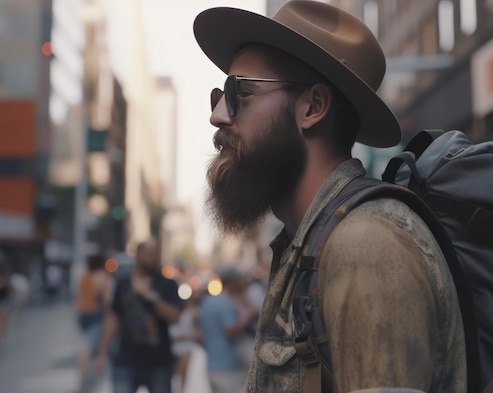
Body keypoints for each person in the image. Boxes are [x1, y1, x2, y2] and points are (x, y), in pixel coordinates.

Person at [192, 1, 466, 393]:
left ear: (314, 107)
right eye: (219, 94)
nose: (218, 115)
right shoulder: (309, 244)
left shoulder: (366, 245)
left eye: (241, 93)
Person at [96, 238, 182, 393]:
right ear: (137, 255)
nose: (153, 258)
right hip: (126, 361)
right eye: (149, 254)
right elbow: (112, 320)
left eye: (156, 254)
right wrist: (102, 353)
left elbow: (175, 316)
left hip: (159, 363)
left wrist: (150, 296)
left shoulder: (167, 284)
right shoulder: (122, 283)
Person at [199, 266, 259, 393]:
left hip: (212, 364)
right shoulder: (226, 302)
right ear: (233, 281)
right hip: (227, 367)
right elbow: (230, 331)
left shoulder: (207, 301)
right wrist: (250, 316)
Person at [73, 254, 112, 393]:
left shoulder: (84, 277)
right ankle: (80, 381)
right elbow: (106, 299)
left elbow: (79, 296)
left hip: (82, 313)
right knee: (89, 347)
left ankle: (88, 374)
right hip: (95, 313)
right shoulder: (102, 276)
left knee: (90, 343)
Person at [169, 287, 203, 393]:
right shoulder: (172, 309)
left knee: (184, 372)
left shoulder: (193, 312)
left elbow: (198, 333)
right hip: (173, 345)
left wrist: (186, 335)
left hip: (186, 345)